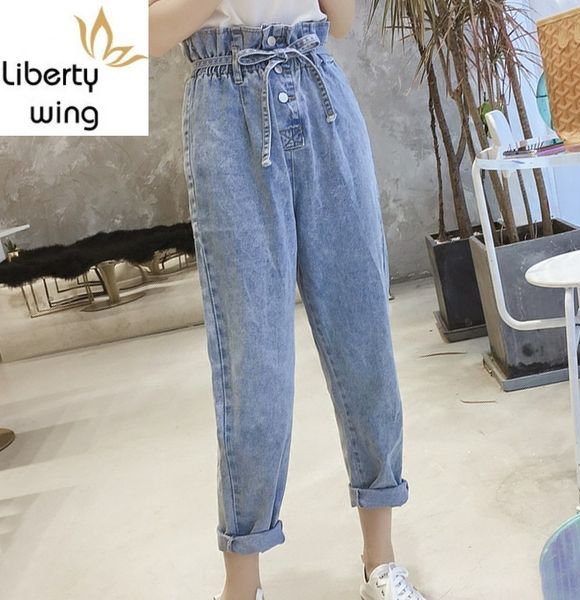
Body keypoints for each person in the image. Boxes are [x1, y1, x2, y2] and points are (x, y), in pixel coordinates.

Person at [149, 2, 426, 599]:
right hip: (226, 108)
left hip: (319, 91)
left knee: (364, 341)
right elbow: (143, 35)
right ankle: (242, 585)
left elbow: (340, 22)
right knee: (254, 366)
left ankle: (380, 562)